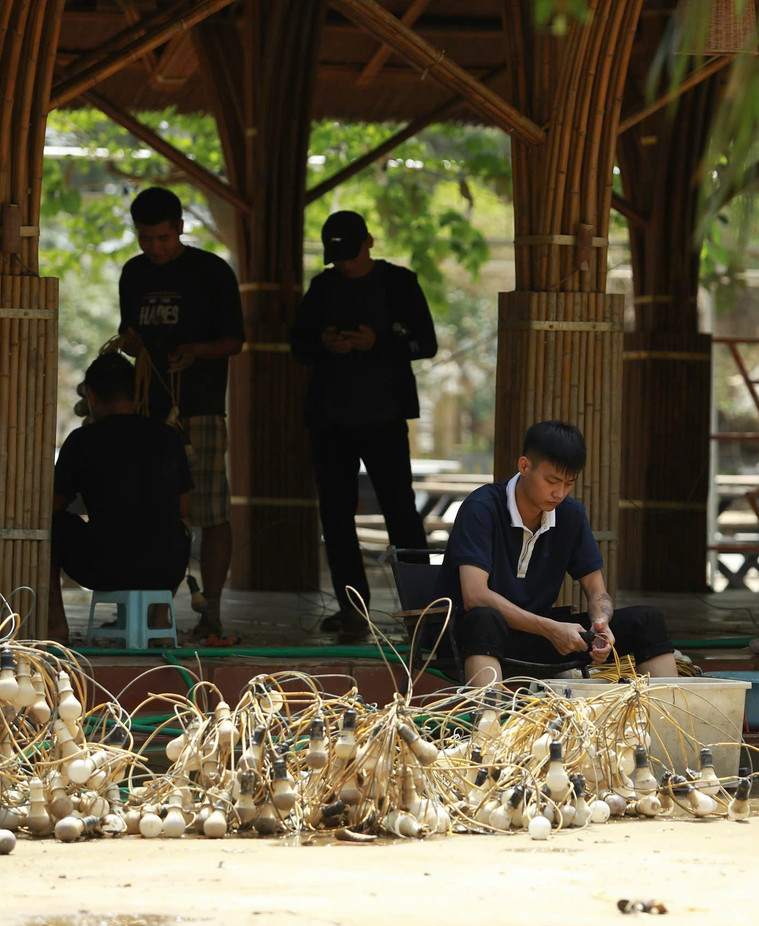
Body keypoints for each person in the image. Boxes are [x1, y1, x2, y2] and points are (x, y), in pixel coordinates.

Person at [435, 420, 678, 687]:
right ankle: (488, 723)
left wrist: (601, 623)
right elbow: (475, 596)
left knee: (648, 620)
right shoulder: (481, 508)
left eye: (568, 483)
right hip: (469, 639)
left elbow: (596, 590)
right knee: (484, 617)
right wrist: (550, 628)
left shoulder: (571, 515)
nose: (559, 493)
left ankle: (673, 721)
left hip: (538, 636)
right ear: (524, 466)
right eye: (551, 481)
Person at [289, 210, 438, 635]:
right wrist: (325, 342)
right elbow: (297, 345)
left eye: (350, 257)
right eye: (336, 260)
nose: (344, 266)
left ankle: (421, 609)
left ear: (369, 242)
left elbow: (425, 343)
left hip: (384, 415)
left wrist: (379, 341)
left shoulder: (399, 283)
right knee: (335, 515)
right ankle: (352, 607)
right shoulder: (322, 288)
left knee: (401, 513)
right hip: (329, 417)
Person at [117, 187, 244, 641]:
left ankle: (212, 610)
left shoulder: (211, 272)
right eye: (146, 238)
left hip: (201, 410)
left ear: (180, 229)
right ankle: (150, 608)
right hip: (147, 412)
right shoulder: (132, 274)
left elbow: (234, 342)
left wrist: (195, 352)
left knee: (211, 512)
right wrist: (132, 345)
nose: (155, 247)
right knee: (149, 510)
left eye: (163, 237)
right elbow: (128, 336)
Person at [48, 353, 193, 642]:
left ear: (91, 394)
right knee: (180, 529)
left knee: (54, 526)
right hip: (164, 568)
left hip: (107, 567)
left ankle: (56, 626)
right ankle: (160, 618)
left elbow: (54, 505)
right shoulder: (168, 437)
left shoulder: (83, 440)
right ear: (136, 392)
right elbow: (185, 508)